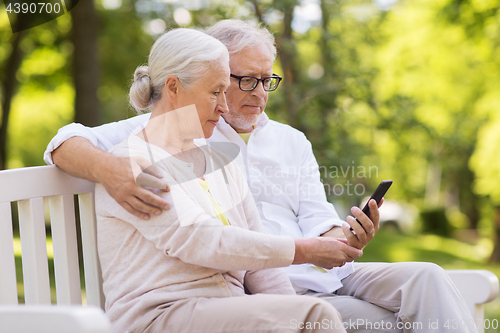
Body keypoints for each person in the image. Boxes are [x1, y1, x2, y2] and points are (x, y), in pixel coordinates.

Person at [45, 21, 478, 333]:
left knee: (425, 278)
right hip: (173, 310)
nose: (255, 95)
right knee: (323, 317)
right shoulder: (136, 149)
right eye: (233, 84)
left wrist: (338, 241)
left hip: (286, 285)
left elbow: (290, 225)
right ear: (180, 85)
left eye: (267, 81)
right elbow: (199, 240)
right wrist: (108, 169)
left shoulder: (226, 150)